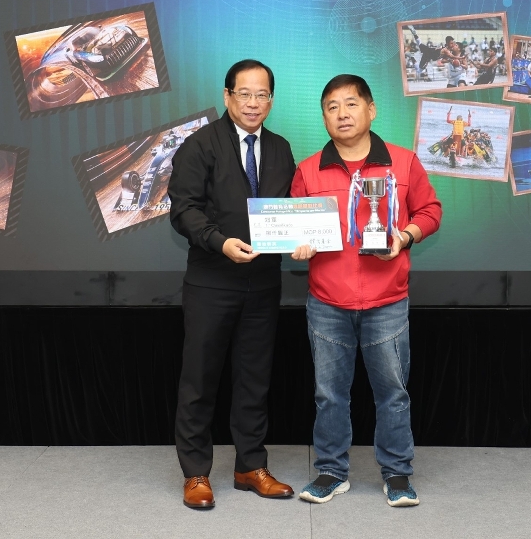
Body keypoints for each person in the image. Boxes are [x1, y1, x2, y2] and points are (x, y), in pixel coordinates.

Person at [288, 74, 442, 508]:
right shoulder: (308, 170)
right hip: (327, 303)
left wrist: (405, 236)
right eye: (332, 107)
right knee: (328, 395)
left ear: (371, 110)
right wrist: (298, 242)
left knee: (393, 394)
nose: (342, 114)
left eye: (351, 104)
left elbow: (430, 211)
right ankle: (331, 472)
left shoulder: (403, 162)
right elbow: (295, 225)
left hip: (386, 301)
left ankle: (397, 473)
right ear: (324, 118)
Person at [167, 59, 297, 510]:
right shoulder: (199, 145)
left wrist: (304, 237)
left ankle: (250, 466)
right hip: (211, 282)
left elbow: (288, 209)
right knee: (200, 379)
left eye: (262, 95)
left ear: (271, 101)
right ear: (227, 96)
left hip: (263, 284)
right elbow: (183, 209)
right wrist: (219, 242)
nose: (253, 103)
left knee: (254, 379)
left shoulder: (280, 148)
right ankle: (196, 472)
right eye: (245, 93)